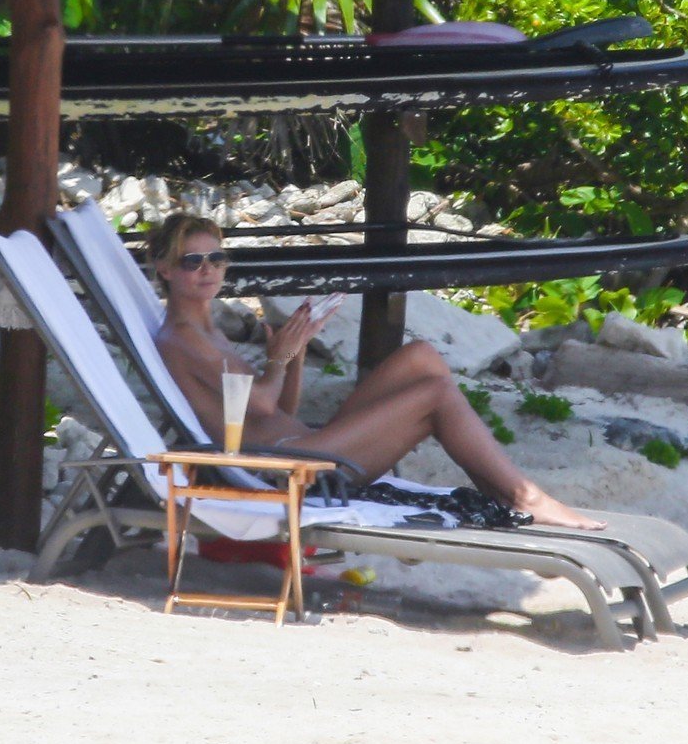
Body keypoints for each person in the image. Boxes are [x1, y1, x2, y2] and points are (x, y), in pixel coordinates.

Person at [149, 213, 605, 530]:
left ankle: (504, 491)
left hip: (298, 445)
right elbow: (263, 405)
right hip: (283, 470)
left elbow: (277, 411)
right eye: (193, 261)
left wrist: (297, 351)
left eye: (217, 258)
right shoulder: (183, 337)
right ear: (166, 269)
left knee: (421, 356)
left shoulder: (208, 331)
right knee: (435, 394)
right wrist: (279, 359)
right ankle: (524, 496)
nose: (209, 270)